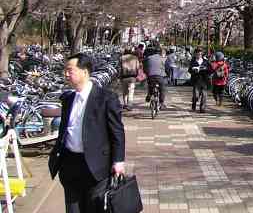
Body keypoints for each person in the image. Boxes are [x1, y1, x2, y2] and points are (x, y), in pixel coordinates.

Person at [48, 53, 125, 213]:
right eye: (65, 70)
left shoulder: (106, 98)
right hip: (70, 164)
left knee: (93, 208)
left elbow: (117, 132)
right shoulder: (68, 99)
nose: (66, 74)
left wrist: (118, 161)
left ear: (84, 72)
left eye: (70, 70)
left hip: (96, 166)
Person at [143, 43, 167, 109]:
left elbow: (144, 66)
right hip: (160, 76)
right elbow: (166, 67)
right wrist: (166, 74)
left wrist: (146, 73)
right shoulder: (162, 58)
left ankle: (149, 94)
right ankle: (161, 103)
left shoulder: (148, 58)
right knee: (162, 89)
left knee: (150, 85)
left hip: (150, 76)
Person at [188, 48, 209, 113]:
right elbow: (189, 70)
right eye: (198, 54)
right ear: (195, 54)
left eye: (200, 54)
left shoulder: (205, 61)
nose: (199, 55)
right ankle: (194, 104)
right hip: (196, 80)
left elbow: (209, 69)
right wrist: (194, 70)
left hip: (204, 80)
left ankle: (202, 108)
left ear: (202, 54)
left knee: (204, 95)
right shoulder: (193, 61)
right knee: (196, 95)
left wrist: (205, 69)